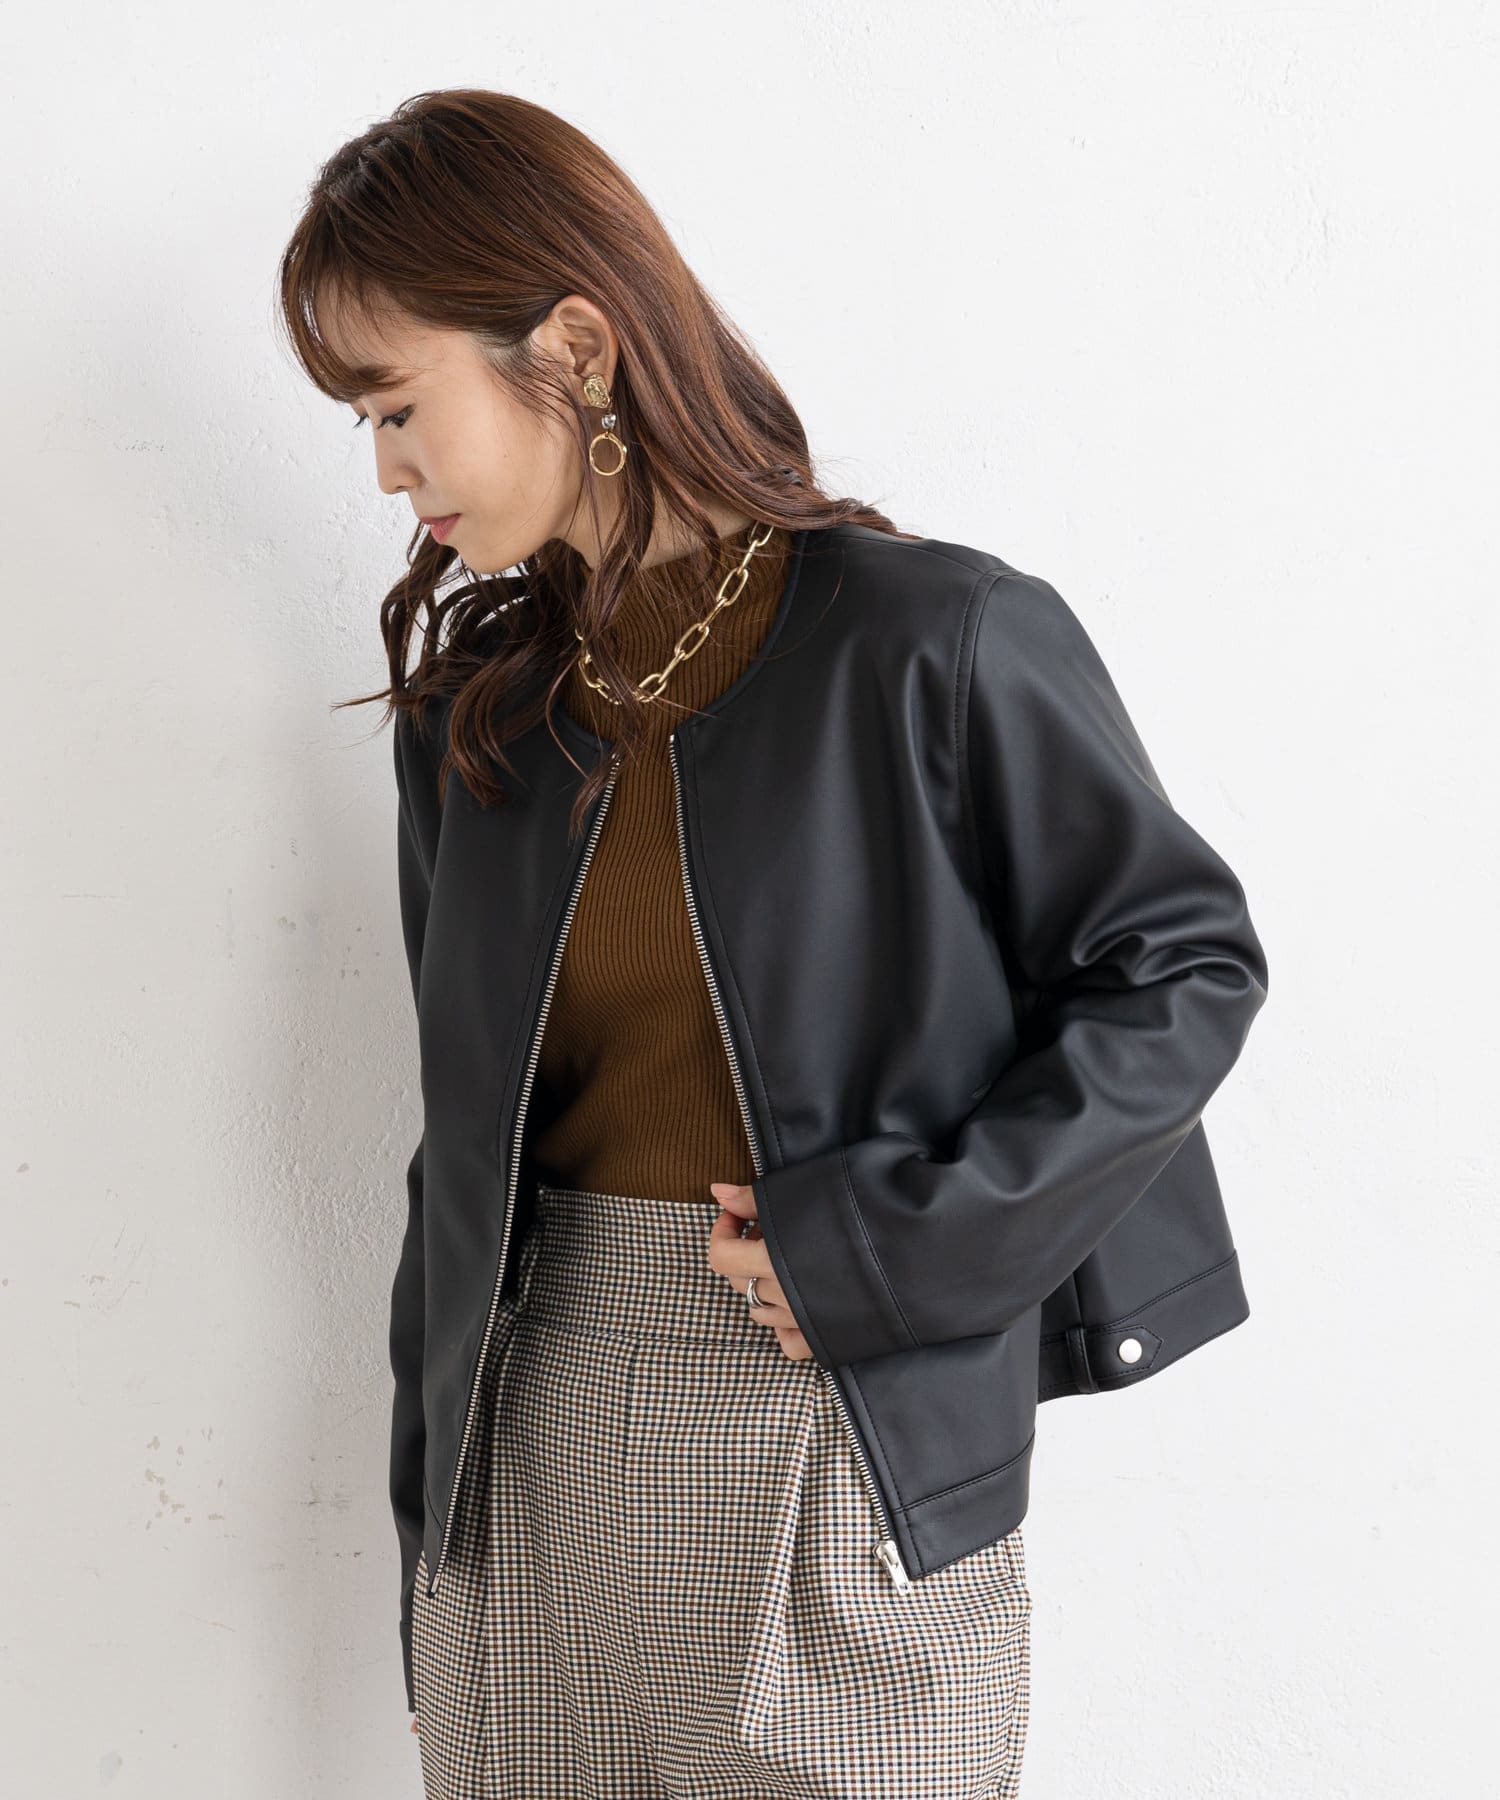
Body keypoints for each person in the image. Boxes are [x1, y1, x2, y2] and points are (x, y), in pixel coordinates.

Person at [277, 88, 1268, 1800]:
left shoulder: (935, 643)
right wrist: (432, 1557)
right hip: (528, 1462)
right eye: (363, 423)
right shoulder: (478, 722)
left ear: (574, 348)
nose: (384, 468)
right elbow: (461, 1160)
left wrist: (894, 1248)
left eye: (398, 404)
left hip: (828, 1430)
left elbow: (1183, 971)